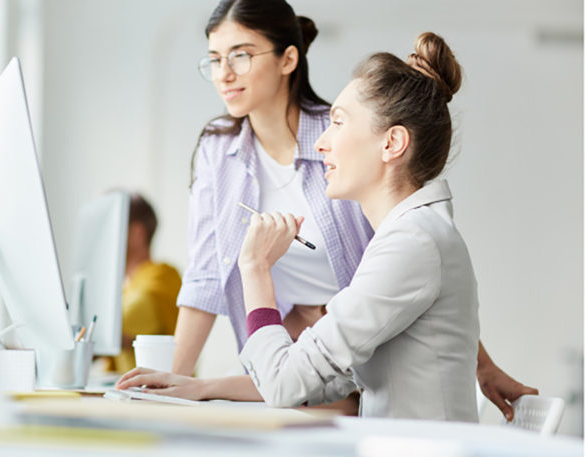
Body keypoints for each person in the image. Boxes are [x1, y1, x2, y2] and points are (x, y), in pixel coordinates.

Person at [169, 0, 536, 420]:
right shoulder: (417, 234)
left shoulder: (411, 240)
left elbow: (292, 379)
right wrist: (186, 385)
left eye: (338, 123)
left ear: (391, 143)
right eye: (215, 59)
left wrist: (254, 267)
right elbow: (208, 282)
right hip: (319, 357)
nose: (323, 142)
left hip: (340, 379)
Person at [103, 193, 182, 374]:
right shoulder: (126, 288)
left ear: (137, 233)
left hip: (161, 396)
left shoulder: (163, 276)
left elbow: (112, 325)